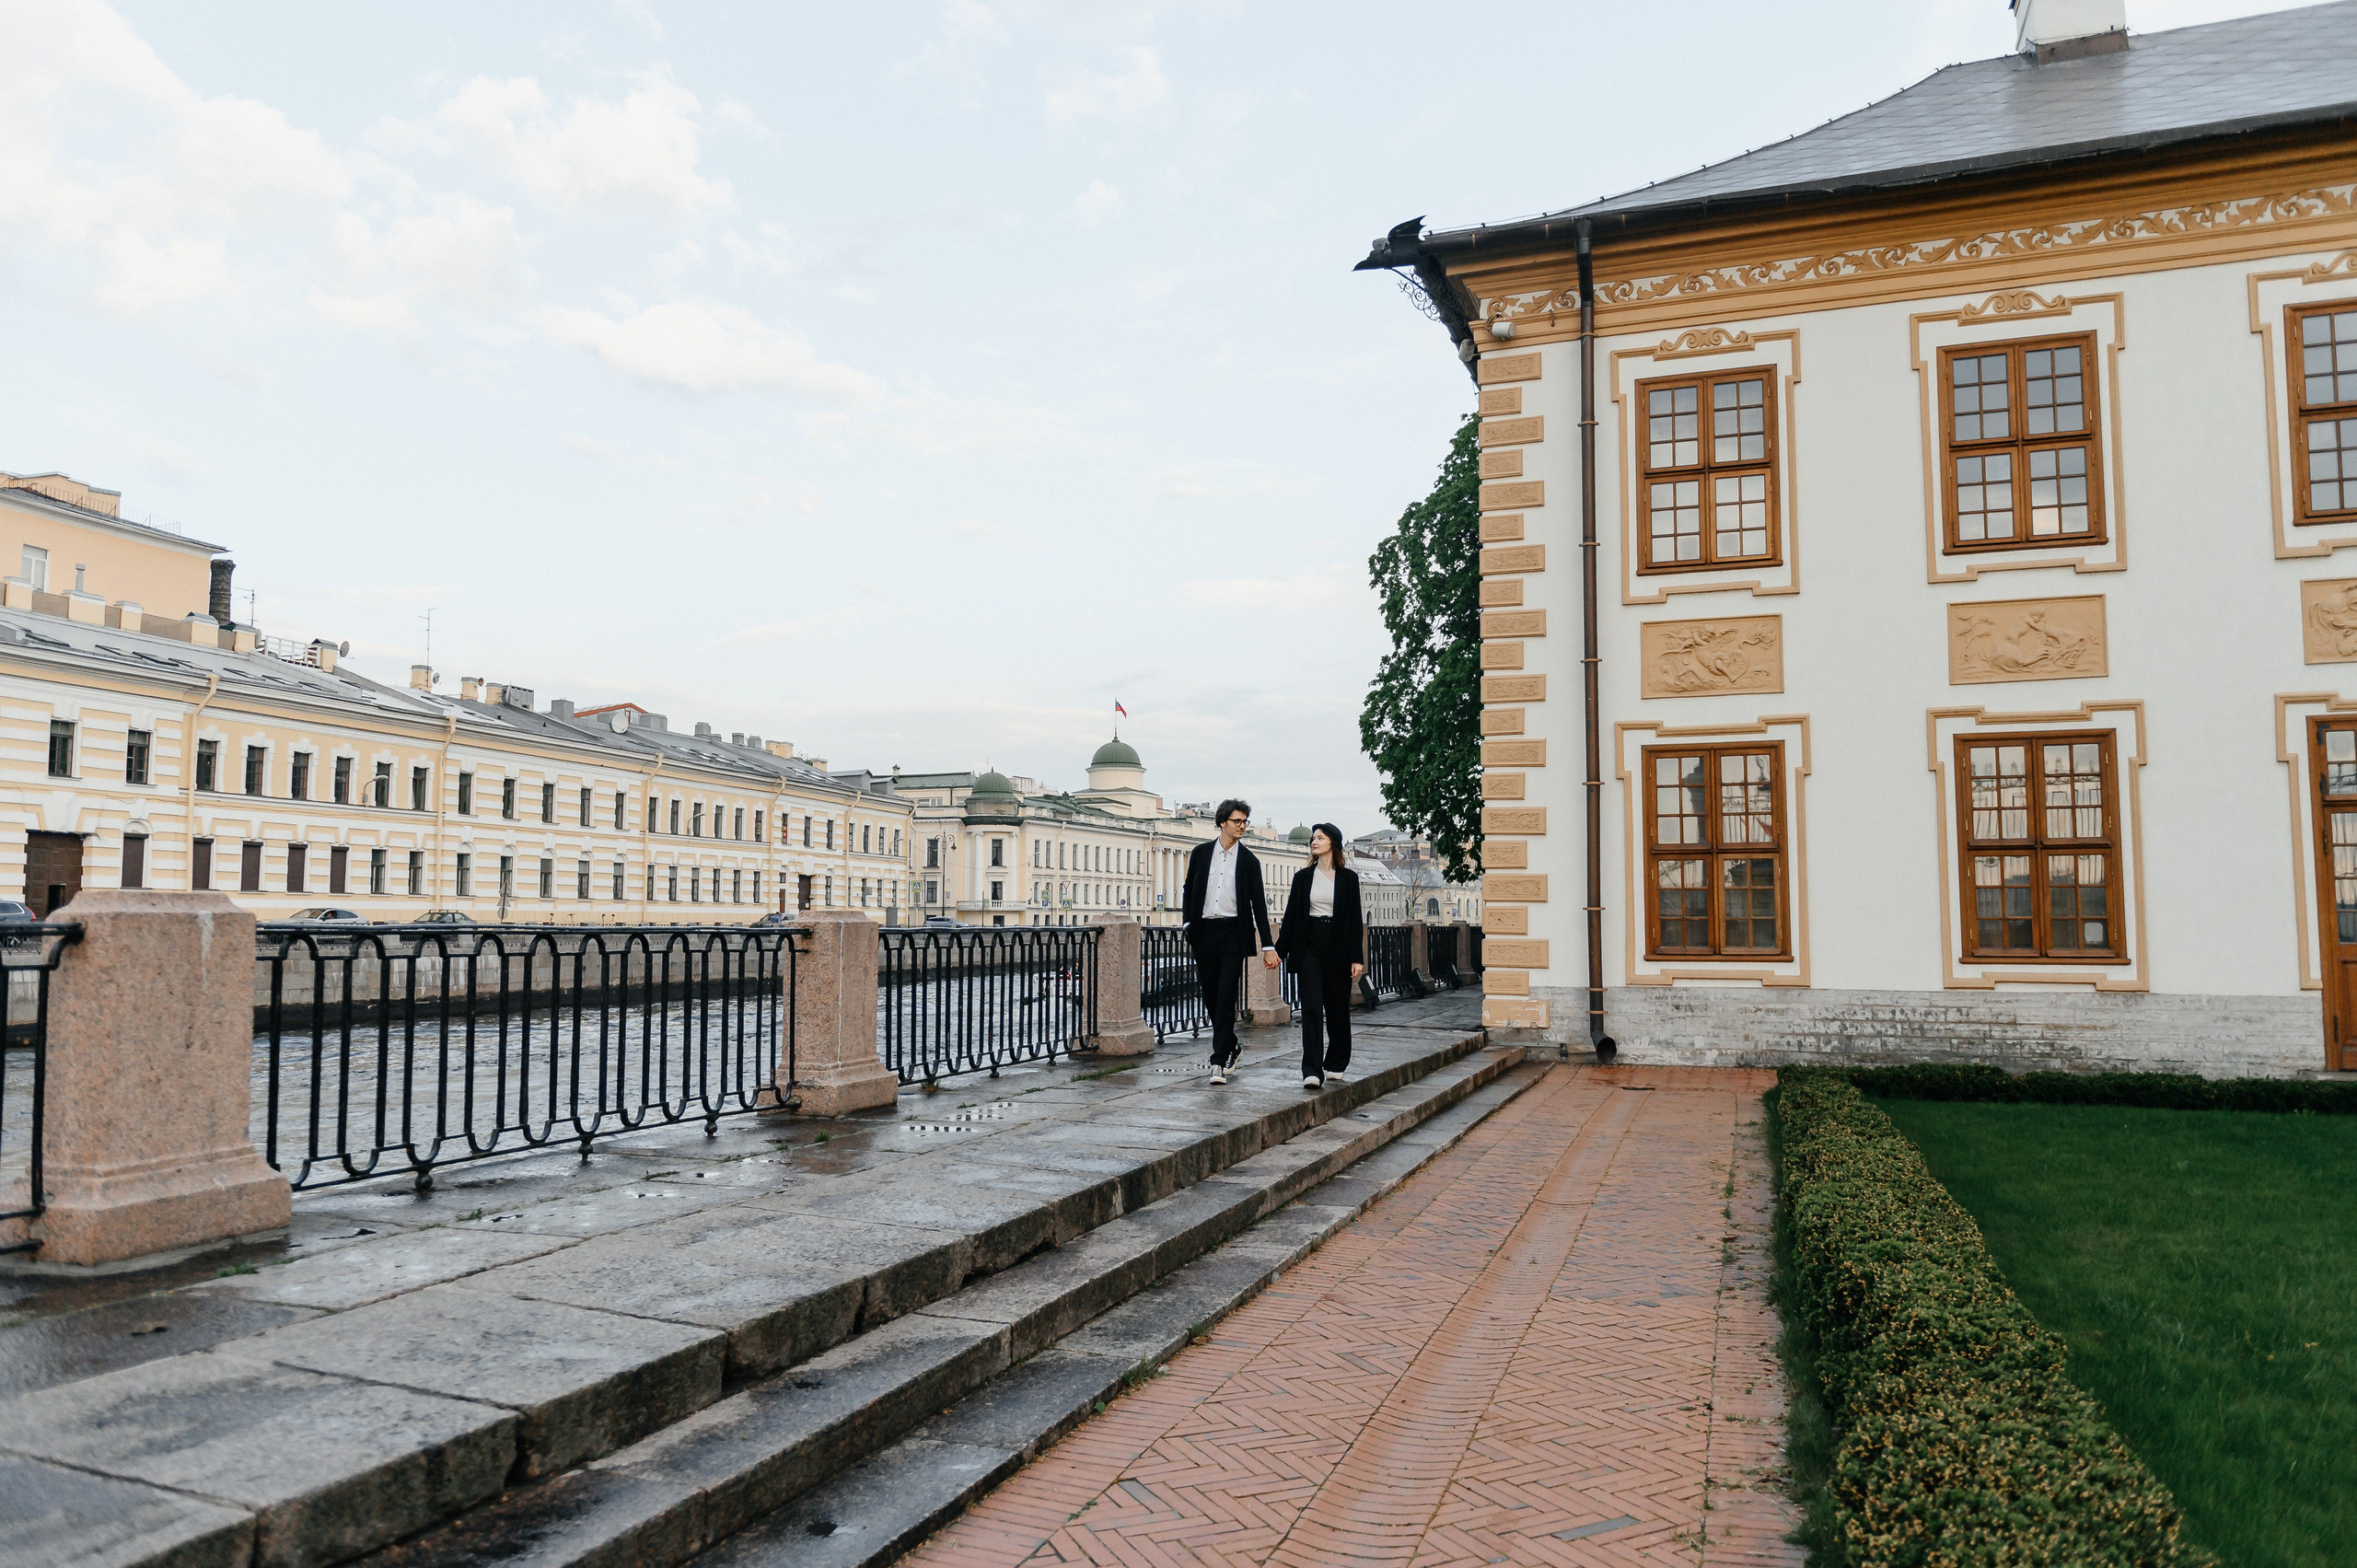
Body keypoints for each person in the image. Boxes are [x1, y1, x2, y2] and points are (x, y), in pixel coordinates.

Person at [1181, 797, 1277, 1086]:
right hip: (1205, 933)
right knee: (1211, 997)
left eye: (1245, 821)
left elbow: (1259, 904)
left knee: (1225, 997)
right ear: (1222, 822)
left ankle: (1218, 1062)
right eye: (1237, 821)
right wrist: (1188, 924)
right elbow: (1189, 890)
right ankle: (1232, 1046)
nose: (1242, 826)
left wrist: (1268, 945)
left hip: (1234, 934)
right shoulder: (1200, 853)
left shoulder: (1249, 861)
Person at [1274, 823, 1364, 1090]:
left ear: (1332, 844)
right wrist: (1278, 951)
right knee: (1312, 1009)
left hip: (1337, 947)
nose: (1314, 841)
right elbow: (1291, 917)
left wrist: (1356, 957)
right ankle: (1312, 1070)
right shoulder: (1303, 878)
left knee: (1337, 1010)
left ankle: (1336, 1061)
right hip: (1309, 945)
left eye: (1320, 838)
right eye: (1313, 838)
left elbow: (1354, 920)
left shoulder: (1348, 878)